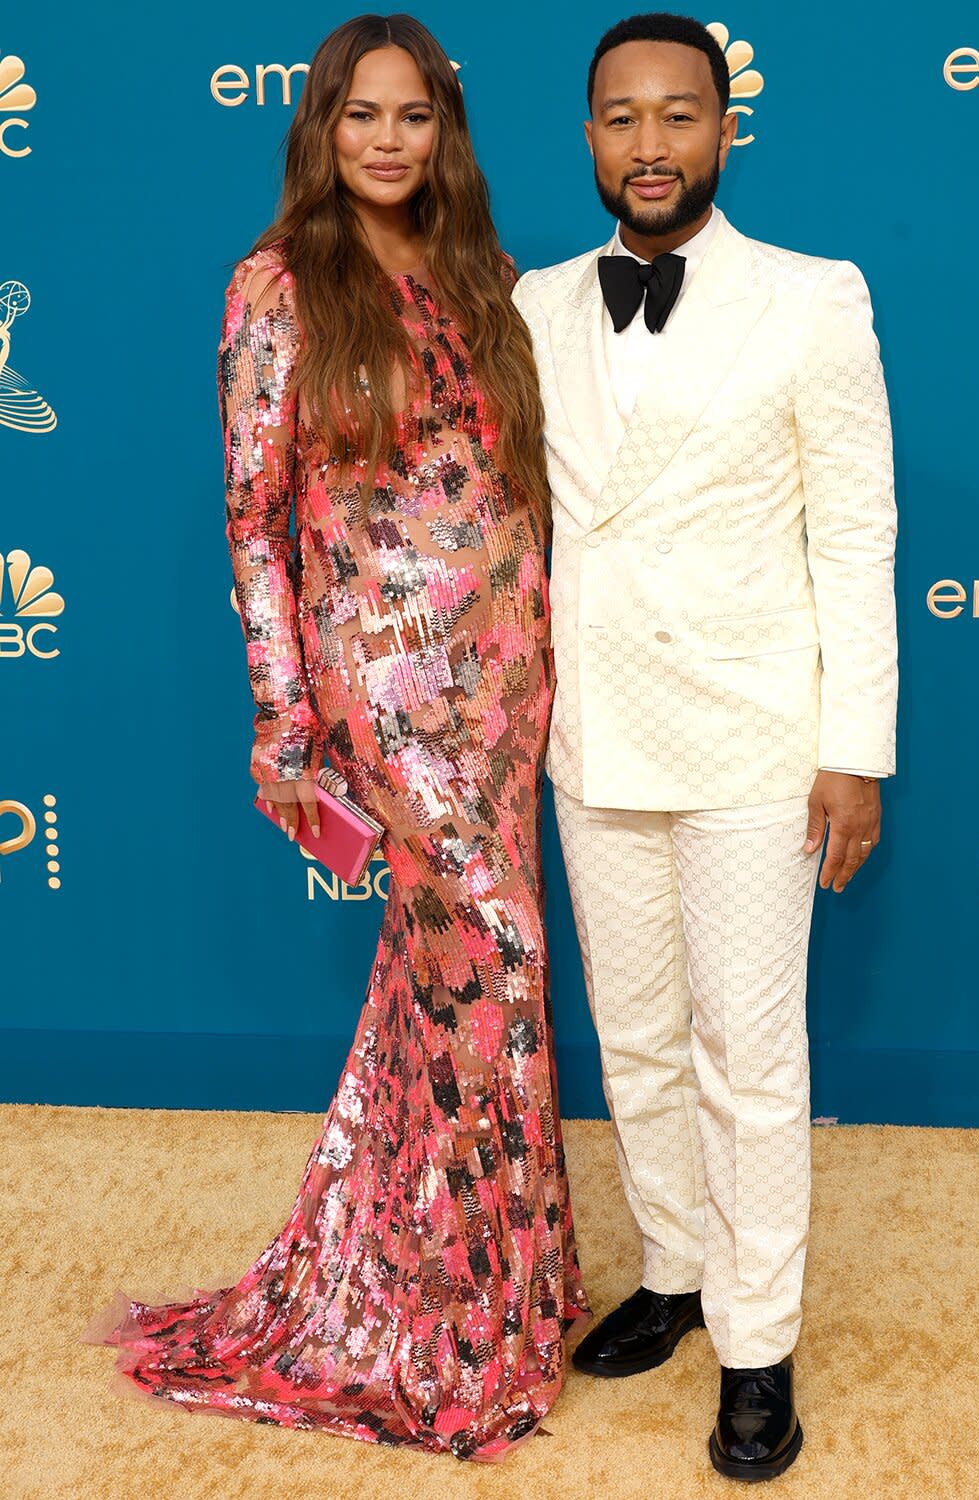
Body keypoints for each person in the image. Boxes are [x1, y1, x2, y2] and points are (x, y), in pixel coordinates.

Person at [80, 12, 587, 1461]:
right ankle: (452, 1327)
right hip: (387, 681)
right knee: (492, 962)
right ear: (321, 125)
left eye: (413, 117)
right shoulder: (276, 285)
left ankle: (495, 1291)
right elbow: (255, 523)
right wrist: (289, 723)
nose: (386, 140)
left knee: (455, 993)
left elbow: (513, 482)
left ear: (445, 132)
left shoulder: (483, 275)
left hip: (505, 676)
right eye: (361, 115)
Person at [511, 11, 897, 1482]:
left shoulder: (811, 299)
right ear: (591, 135)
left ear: (726, 131)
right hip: (596, 735)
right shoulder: (537, 302)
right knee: (641, 1036)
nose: (652, 143)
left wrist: (853, 744)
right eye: (623, 117)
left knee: (754, 1053)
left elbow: (855, 529)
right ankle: (674, 1267)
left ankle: (757, 1340)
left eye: (681, 115)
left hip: (750, 737)